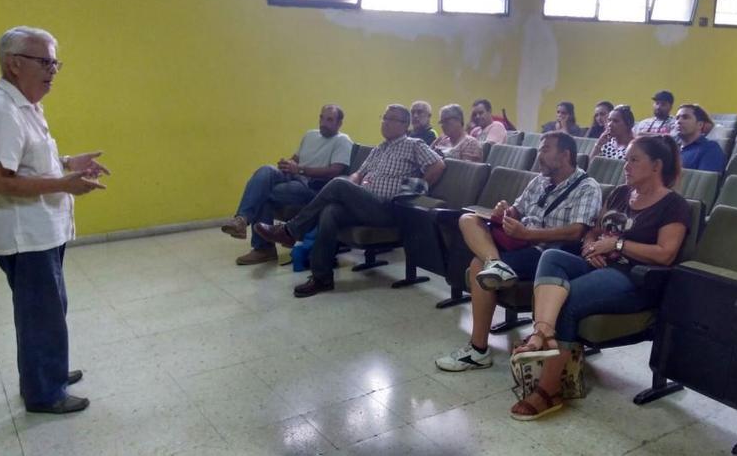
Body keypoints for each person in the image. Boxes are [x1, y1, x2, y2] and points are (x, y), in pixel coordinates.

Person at [509, 135, 690, 421]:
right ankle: (543, 333)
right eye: (625, 159)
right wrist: (590, 245)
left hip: (633, 277)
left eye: (633, 160)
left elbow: (665, 254)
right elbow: (593, 230)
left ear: (656, 165)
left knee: (565, 299)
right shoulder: (620, 193)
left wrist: (616, 246)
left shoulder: (674, 205)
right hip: (599, 264)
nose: (625, 165)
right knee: (551, 257)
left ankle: (549, 389)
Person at [0, 26, 111, 414]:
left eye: (56, 62)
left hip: (42, 231)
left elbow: (26, 160)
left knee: (50, 309)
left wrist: (69, 164)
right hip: (25, 235)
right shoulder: (0, 110)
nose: (53, 70)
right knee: (41, 314)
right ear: (13, 64)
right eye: (45, 61)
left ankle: (47, 371)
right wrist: (63, 183)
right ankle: (43, 392)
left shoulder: (26, 104)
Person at [435, 132, 602, 372]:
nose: (539, 155)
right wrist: (506, 211)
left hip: (546, 252)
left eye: (545, 150)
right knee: (467, 219)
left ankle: (478, 350)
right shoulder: (539, 181)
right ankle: (495, 263)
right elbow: (517, 209)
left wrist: (528, 234)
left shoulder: (587, 187)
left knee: (476, 266)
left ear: (565, 155)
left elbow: (576, 232)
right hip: (520, 240)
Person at [254, 104, 445, 297]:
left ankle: (291, 230)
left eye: (391, 119)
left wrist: (419, 186)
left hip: (388, 208)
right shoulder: (379, 149)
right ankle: (322, 278)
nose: (385, 123)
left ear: (405, 125)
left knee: (338, 183)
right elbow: (358, 173)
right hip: (366, 204)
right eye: (383, 118)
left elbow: (438, 164)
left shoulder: (413, 145)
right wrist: (354, 184)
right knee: (331, 212)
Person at [220, 105, 352, 265]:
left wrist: (301, 170)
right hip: (294, 177)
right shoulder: (310, 135)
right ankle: (241, 220)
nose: (323, 123)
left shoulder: (342, 141)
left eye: (329, 119)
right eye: (321, 118)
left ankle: (263, 248)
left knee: (265, 192)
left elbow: (335, 171)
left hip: (312, 187)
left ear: (339, 123)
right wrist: (288, 164)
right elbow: (296, 159)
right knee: (265, 170)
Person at [676, 104, 726, 173]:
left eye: (685, 117)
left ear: (700, 125)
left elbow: (704, 182)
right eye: (677, 118)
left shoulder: (710, 148)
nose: (679, 121)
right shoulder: (671, 146)